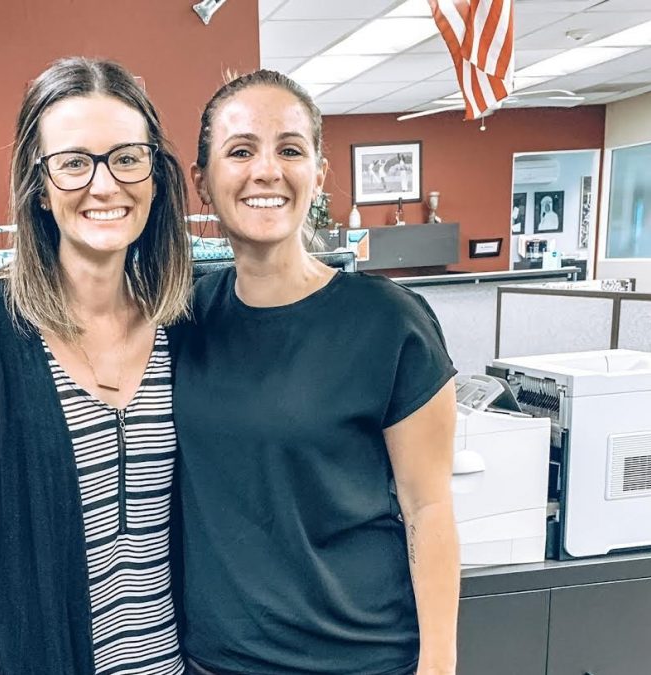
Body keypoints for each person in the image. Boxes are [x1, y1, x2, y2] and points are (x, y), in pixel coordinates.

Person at [172, 69, 460, 675]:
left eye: (291, 149)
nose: (266, 171)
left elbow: (427, 508)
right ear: (202, 181)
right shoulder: (182, 320)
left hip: (360, 658)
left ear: (319, 174)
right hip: (216, 664)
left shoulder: (389, 323)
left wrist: (439, 666)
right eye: (241, 151)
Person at [0, 57, 191, 675]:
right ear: (39, 186)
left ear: (155, 175)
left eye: (127, 157)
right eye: (73, 162)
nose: (104, 185)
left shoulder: (185, 325)